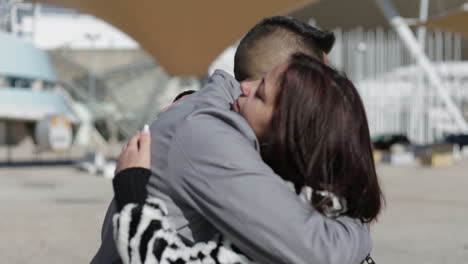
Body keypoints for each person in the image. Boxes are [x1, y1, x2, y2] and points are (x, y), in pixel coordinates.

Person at [91, 17, 372, 264]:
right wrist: (357, 225)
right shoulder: (208, 133)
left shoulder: (217, 117)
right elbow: (320, 253)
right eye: (317, 76)